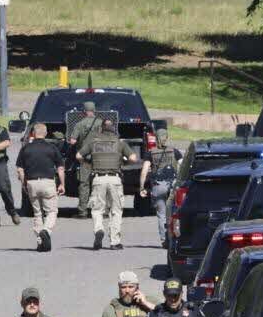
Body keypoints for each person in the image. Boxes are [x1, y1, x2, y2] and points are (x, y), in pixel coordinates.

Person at [78, 118, 138, 250]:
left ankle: (99, 229)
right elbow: (134, 158)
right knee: (116, 210)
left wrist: (88, 162)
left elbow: (78, 155)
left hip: (98, 179)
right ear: (113, 129)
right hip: (115, 178)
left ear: (101, 129)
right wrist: (123, 163)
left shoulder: (94, 142)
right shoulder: (119, 143)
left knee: (97, 209)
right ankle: (115, 241)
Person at [16, 123, 65, 252]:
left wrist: (23, 184)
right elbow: (60, 168)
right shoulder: (52, 148)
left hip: (32, 182)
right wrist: (62, 183)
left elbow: (20, 169)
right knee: (51, 211)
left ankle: (40, 242)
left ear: (33, 133)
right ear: (46, 133)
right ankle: (46, 230)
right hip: (47, 182)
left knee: (37, 213)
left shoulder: (26, 148)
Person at [140, 128, 179, 249]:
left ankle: (164, 241)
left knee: (161, 214)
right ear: (166, 138)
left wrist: (142, 187)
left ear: (156, 138)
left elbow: (144, 171)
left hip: (158, 186)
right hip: (172, 186)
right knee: (174, 213)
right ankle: (175, 238)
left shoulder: (151, 153)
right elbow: (183, 165)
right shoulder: (175, 151)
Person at [67, 101, 102, 218]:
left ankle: (83, 211)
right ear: (94, 110)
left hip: (84, 158)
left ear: (84, 112)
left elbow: (72, 141)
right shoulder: (101, 123)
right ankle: (103, 210)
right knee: (100, 184)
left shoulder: (79, 124)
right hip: (99, 158)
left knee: (84, 185)